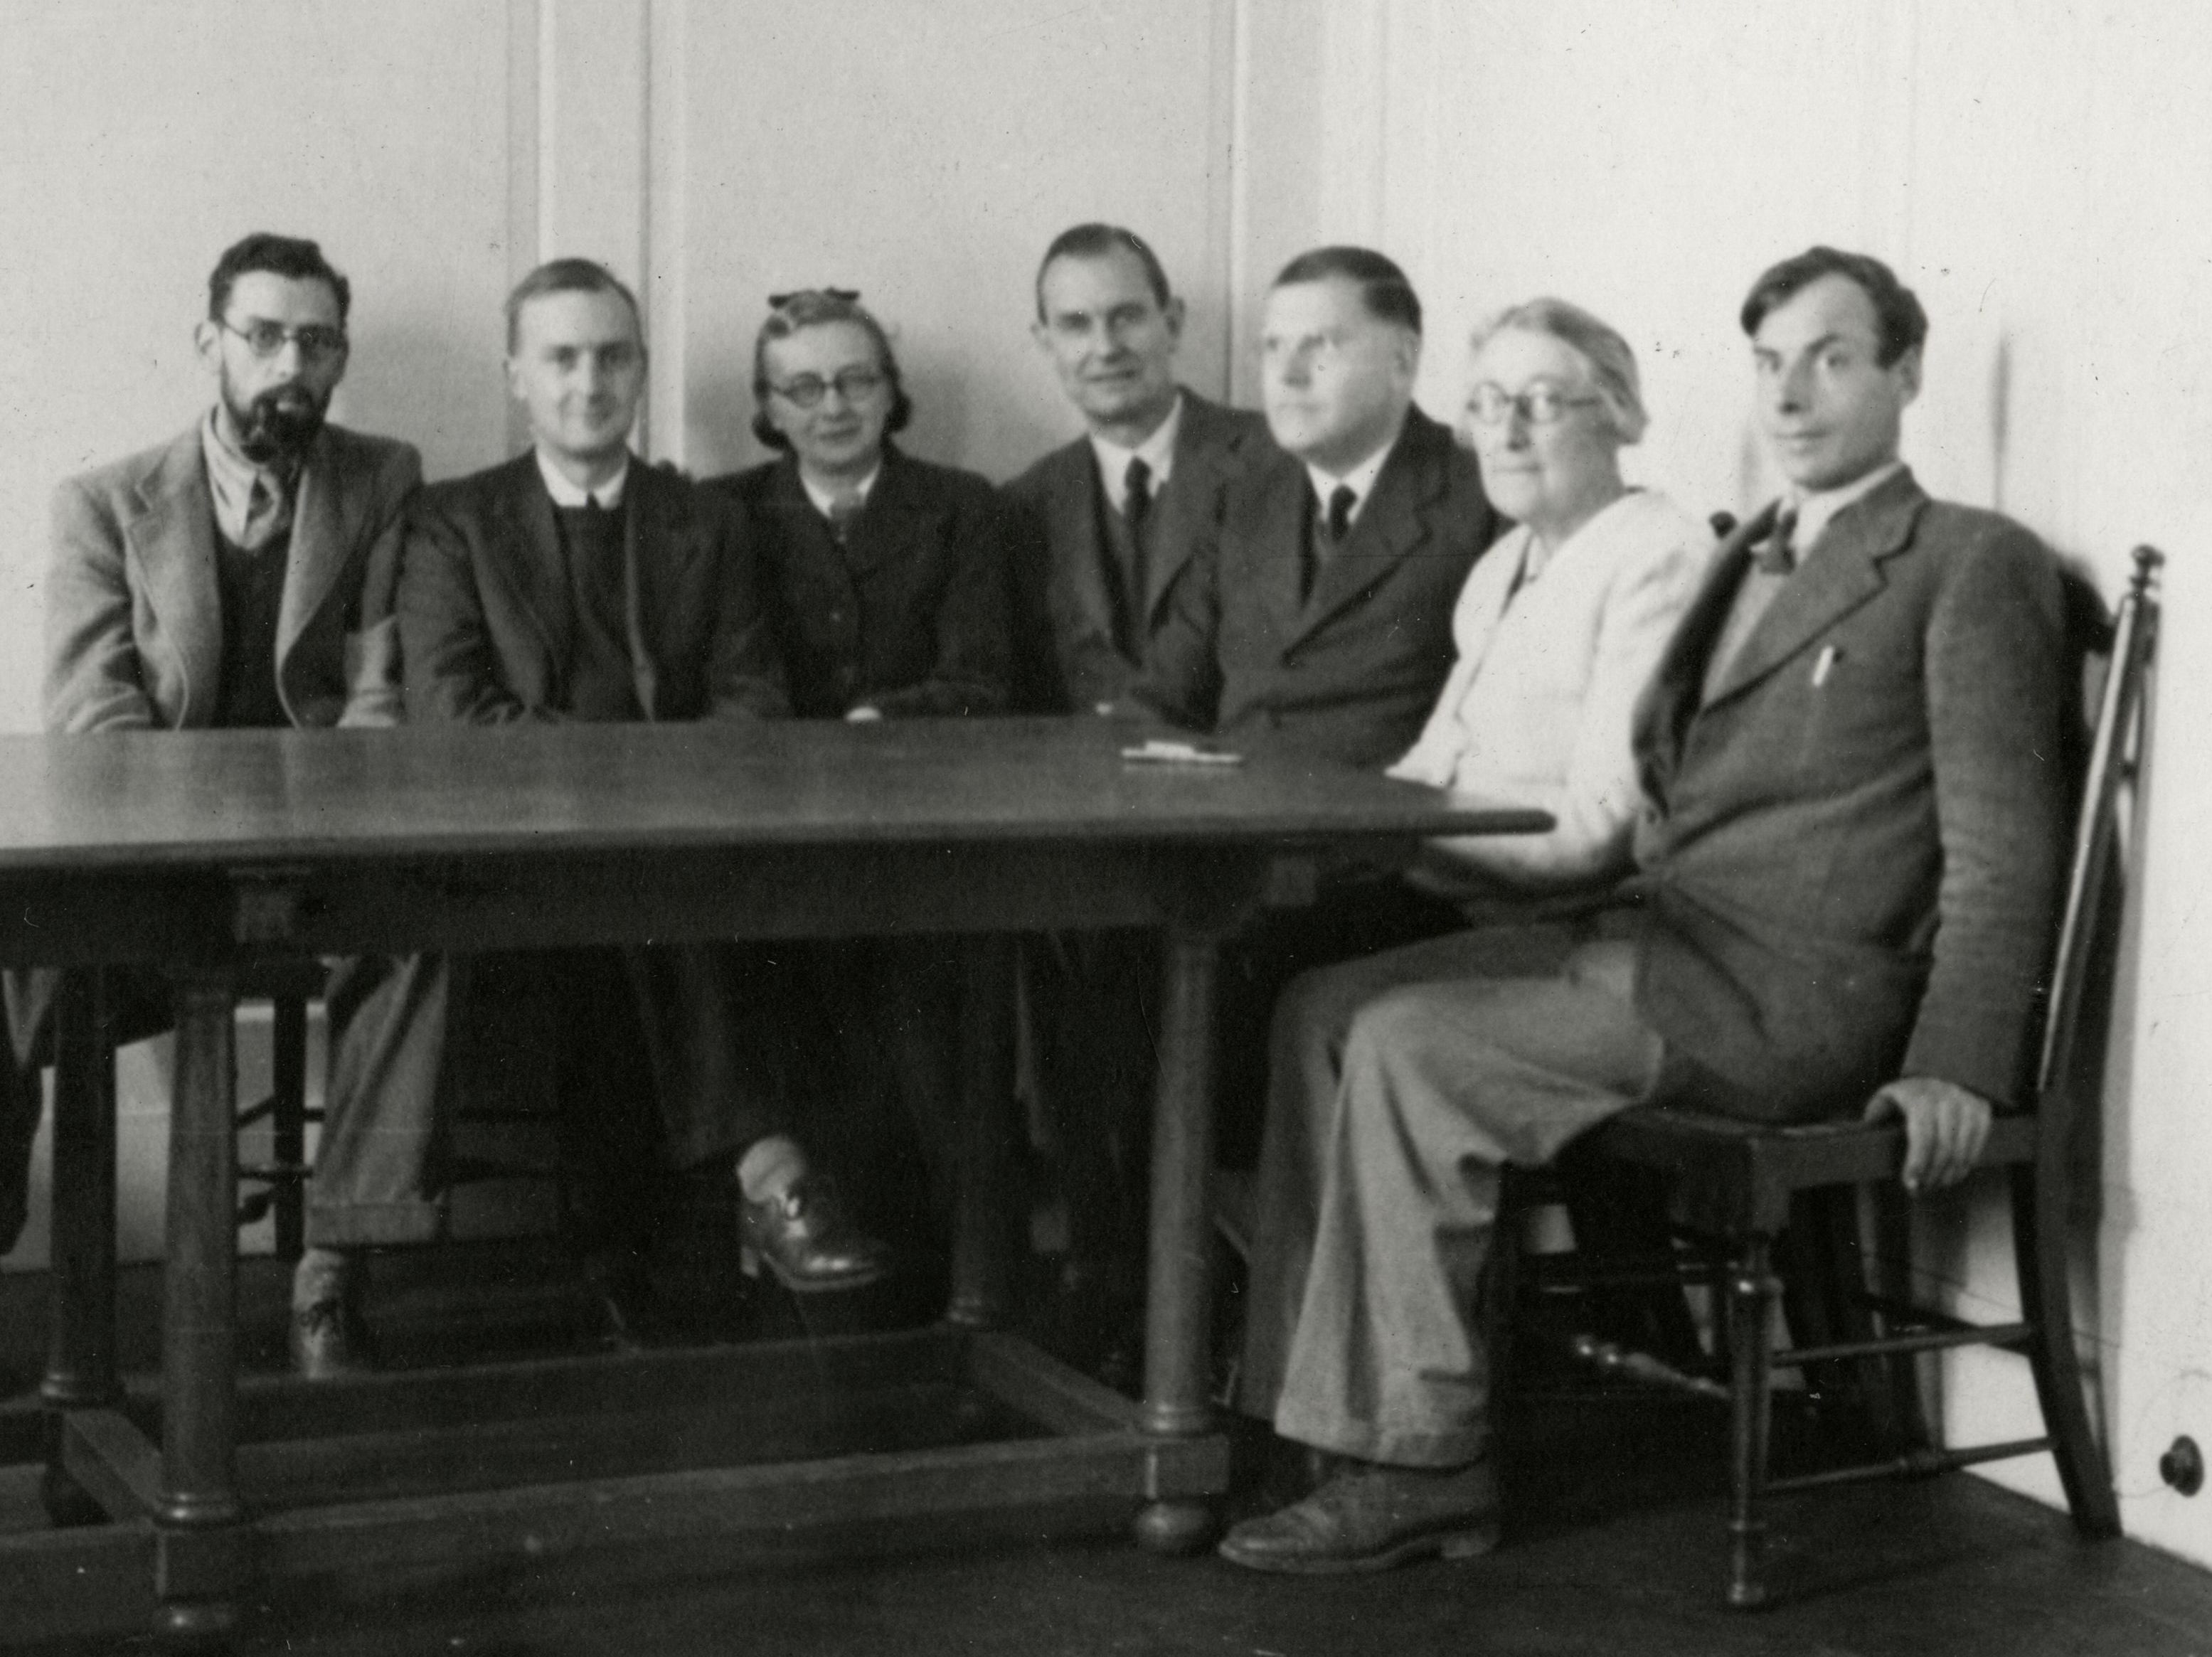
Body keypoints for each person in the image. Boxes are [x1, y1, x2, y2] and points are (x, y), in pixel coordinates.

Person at [1218, 247, 2071, 1575]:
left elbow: (2004, 851)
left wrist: (1953, 1064)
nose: (1791, 392)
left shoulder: (1968, 562)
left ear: (1906, 371)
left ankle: (1416, 1466)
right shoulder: (1744, 549)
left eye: (1832, 357)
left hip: (1789, 1002)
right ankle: (1304, 1418)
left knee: (1408, 1044)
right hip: (1667, 942)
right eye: (1769, 361)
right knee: (1319, 1007)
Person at [398, 258, 888, 1327]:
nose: (590, 381)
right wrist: (635, 787)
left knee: (664, 902)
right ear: (517, 375)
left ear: (641, 370)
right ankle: (767, 1174)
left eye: (613, 356)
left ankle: (637, 1264)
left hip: (675, 850)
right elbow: (456, 722)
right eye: (562, 357)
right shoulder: (452, 524)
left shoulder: (701, 521)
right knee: (658, 906)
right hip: (512, 857)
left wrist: (652, 806)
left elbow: (750, 699)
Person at [6, 233, 434, 1378]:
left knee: (419, 937)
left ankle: (333, 1269)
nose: (291, 364)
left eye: (318, 340)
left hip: (324, 853)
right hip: (154, 859)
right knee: (8, 952)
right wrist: (191, 851)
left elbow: (379, 703)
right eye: (265, 336)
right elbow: (95, 722)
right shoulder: (104, 504)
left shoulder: (382, 481)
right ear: (212, 343)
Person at [1134, 246, 1507, 1171]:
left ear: (1403, 361)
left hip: (1381, 874)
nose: (1287, 374)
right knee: (1078, 951)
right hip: (1239, 850)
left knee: (1208, 978)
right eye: (1272, 348)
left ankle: (1240, 1277)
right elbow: (1168, 684)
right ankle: (1141, 1280)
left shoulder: (1475, 495)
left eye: (1322, 346)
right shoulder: (1244, 486)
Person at [1002, 224, 1271, 1377]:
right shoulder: (1025, 504)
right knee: (1042, 950)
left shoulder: (1266, 461)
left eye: (1125, 317)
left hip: (1240, 842)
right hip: (1095, 856)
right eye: (1075, 324)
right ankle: (1116, 1271)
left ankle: (1160, 1288)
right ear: (1044, 345)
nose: (1103, 345)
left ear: (1173, 322)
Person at [713, 289, 1009, 1272]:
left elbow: (983, 682)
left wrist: (880, 724)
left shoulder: (961, 508)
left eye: (854, 380)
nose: (831, 406)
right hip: (768, 829)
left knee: (924, 1011)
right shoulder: (724, 514)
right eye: (802, 387)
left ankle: (947, 1256)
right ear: (768, 406)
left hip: (923, 825)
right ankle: (795, 1222)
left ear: (891, 392)